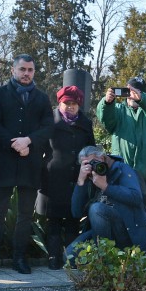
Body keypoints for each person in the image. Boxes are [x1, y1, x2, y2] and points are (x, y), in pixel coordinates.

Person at [0, 54, 53, 275]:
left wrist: (28, 141)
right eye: (22, 69)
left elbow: (48, 126)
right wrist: (15, 143)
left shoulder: (41, 98)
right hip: (5, 163)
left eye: (30, 70)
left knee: (25, 215)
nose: (26, 74)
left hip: (30, 163)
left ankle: (19, 259)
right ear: (13, 70)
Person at [96, 77, 146, 239]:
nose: (131, 95)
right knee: (125, 210)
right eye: (128, 91)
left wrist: (143, 100)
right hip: (125, 173)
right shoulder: (118, 110)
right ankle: (129, 247)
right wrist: (107, 102)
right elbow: (106, 120)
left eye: (136, 92)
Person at [65, 145, 146, 263]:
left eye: (95, 162)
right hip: (100, 231)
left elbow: (136, 198)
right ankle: (101, 256)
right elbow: (76, 212)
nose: (93, 167)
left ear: (103, 158)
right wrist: (81, 181)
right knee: (68, 257)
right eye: (87, 164)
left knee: (97, 208)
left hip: (128, 231)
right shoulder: (90, 177)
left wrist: (106, 187)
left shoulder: (122, 169)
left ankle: (105, 260)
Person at [37, 85, 95, 269]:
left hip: (76, 177)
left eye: (74, 103)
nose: (70, 106)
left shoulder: (85, 123)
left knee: (73, 219)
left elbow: (90, 148)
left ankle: (71, 256)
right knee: (53, 219)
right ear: (59, 103)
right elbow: (40, 146)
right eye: (66, 103)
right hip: (53, 177)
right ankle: (53, 256)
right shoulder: (49, 121)